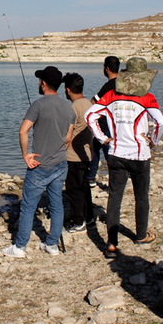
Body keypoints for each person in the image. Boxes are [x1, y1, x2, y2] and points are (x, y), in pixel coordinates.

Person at [85, 57, 163, 259]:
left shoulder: (111, 96)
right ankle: (140, 235)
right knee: (141, 196)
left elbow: (90, 116)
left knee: (115, 198)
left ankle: (111, 244)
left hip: (115, 153)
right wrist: (153, 140)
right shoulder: (147, 97)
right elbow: (161, 121)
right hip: (140, 154)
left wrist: (103, 138)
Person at [2, 66, 76, 257]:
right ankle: (51, 245)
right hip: (61, 165)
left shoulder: (38, 105)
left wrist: (26, 155)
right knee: (56, 204)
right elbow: (68, 138)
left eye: (39, 80)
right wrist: (58, 153)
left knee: (28, 206)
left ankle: (20, 247)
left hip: (39, 165)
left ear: (43, 83)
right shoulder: (69, 108)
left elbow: (23, 131)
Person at [62, 72, 94, 233]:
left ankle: (78, 221)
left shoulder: (73, 108)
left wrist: (60, 153)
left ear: (68, 90)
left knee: (73, 189)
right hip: (87, 154)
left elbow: (68, 136)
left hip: (73, 156)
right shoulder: (89, 104)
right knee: (84, 187)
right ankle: (89, 217)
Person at [88, 56, 119, 187]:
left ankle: (95, 178)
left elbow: (94, 101)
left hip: (105, 124)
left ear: (106, 69)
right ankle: (92, 177)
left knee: (103, 151)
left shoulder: (109, 85)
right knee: (96, 147)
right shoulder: (123, 83)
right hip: (117, 123)